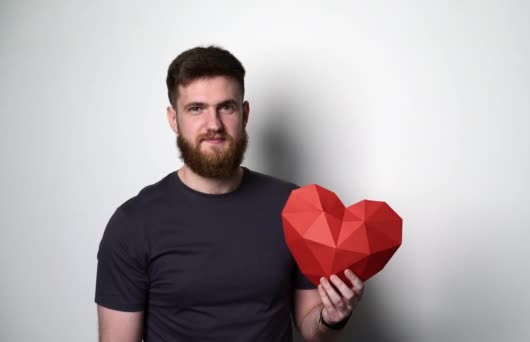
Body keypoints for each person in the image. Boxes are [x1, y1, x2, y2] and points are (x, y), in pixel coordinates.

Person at [95, 45, 365, 341]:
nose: (214, 125)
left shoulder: (294, 206)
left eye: (226, 107)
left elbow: (313, 330)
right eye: (196, 108)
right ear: (174, 119)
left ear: (244, 113)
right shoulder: (133, 223)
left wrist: (332, 318)